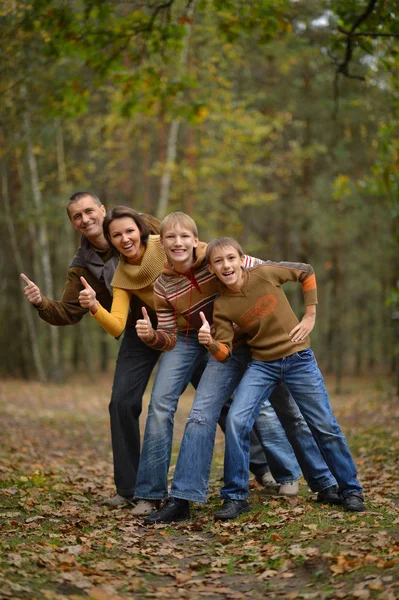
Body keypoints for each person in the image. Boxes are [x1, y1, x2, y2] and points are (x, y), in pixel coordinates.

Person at [134, 212, 340, 524]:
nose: (178, 243)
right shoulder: (163, 284)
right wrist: (152, 336)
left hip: (261, 346)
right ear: (160, 244)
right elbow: (169, 336)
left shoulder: (219, 258)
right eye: (170, 238)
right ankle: (183, 498)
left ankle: (323, 482)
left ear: (195, 240)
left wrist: (309, 314)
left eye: (185, 237)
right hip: (220, 347)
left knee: (287, 411)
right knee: (201, 414)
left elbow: (267, 273)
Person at [77, 207, 274, 515]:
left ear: (144, 232)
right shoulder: (125, 275)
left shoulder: (181, 245)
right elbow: (120, 324)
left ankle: (268, 469)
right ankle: (150, 493)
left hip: (215, 331)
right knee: (160, 405)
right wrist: (95, 308)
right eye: (116, 235)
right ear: (111, 241)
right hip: (176, 333)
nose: (124, 238)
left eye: (129, 231)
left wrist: (265, 305)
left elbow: (236, 261)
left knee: (227, 405)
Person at [198, 237, 365, 519]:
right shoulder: (223, 305)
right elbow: (225, 353)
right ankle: (235, 497)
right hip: (262, 365)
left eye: (230, 258)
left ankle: (350, 489)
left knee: (323, 424)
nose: (225, 265)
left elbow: (306, 270)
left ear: (241, 259)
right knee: (237, 420)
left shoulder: (265, 273)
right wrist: (210, 342)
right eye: (218, 261)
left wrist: (310, 314)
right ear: (212, 269)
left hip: (298, 360)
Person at [20, 193, 161, 507]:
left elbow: (180, 245)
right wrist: (40, 302)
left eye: (88, 211)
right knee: (121, 403)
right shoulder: (82, 265)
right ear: (74, 224)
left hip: (176, 320)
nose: (84, 219)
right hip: (133, 330)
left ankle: (261, 467)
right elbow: (67, 312)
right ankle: (129, 489)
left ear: (101, 209)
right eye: (76, 217)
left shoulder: (135, 224)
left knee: (215, 397)